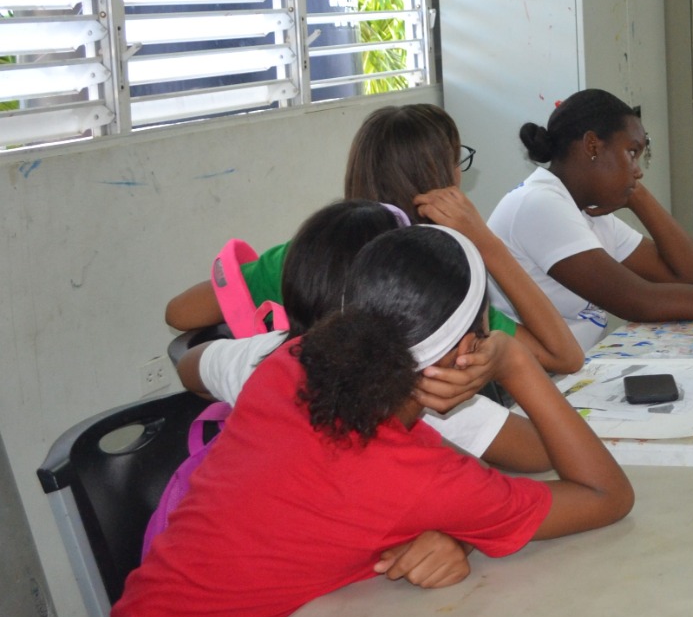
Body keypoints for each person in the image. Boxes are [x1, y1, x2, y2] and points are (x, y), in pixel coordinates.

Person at [70, 226, 633, 617]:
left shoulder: (290, 368)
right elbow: (607, 493)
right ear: (467, 350)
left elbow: (341, 506)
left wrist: (454, 531)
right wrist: (515, 363)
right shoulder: (414, 477)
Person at [152, 200, 556, 552]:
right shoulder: (423, 394)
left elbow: (190, 364)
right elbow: (545, 453)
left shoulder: (273, 358)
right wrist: (509, 363)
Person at [165, 104, 585, 374]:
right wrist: (487, 244)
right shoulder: (435, 279)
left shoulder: (305, 256)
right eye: (457, 160)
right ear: (440, 182)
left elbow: (180, 313)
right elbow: (563, 356)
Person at [486, 89, 693, 350]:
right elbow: (639, 301)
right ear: (592, 146)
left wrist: (636, 195)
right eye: (631, 153)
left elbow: (688, 272)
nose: (638, 170)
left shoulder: (584, 209)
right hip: (534, 384)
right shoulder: (539, 204)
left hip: (572, 372)